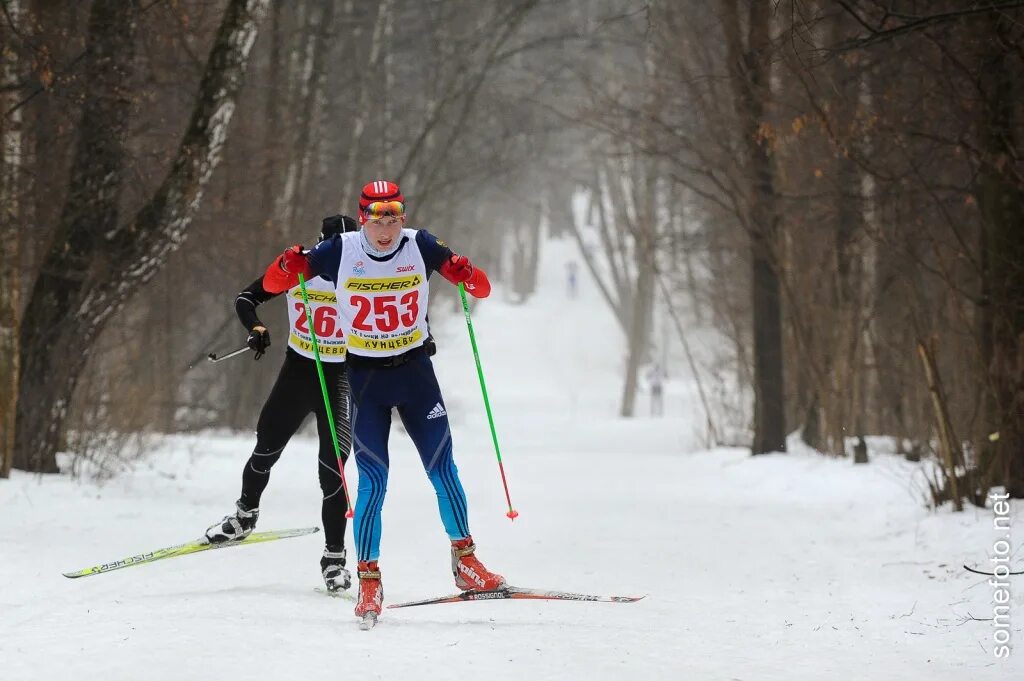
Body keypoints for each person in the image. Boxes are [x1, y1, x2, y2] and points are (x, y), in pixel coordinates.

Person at [261, 180, 505, 621]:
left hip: (416, 375)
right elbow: (275, 282)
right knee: (373, 482)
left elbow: (482, 289)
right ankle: (369, 583)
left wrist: (467, 274)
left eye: (393, 216)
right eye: (377, 217)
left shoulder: (422, 246)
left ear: (403, 218)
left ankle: (465, 561)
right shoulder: (340, 250)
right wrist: (288, 263)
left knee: (443, 469)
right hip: (366, 380)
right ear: (363, 219)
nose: (385, 226)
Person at [204, 215, 359, 594]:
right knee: (265, 448)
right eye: (329, 250)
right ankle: (244, 516)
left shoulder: (365, 273)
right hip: (298, 371)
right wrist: (255, 328)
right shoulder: (300, 267)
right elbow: (246, 298)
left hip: (340, 378)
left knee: (333, 471)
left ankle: (334, 559)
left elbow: (408, 308)